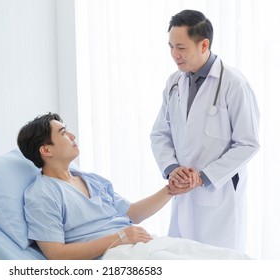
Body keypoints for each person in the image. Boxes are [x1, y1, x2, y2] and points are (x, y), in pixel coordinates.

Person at [17, 112, 251, 260]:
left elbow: (132, 214)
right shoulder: (41, 194)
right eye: (63, 133)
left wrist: (170, 190)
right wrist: (119, 238)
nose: (72, 136)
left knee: (232, 260)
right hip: (114, 257)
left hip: (143, 244)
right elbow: (56, 255)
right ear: (46, 150)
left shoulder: (91, 180)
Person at [150, 10, 260, 252]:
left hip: (218, 198)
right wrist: (172, 169)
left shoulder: (234, 84)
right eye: (170, 47)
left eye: (181, 47)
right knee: (181, 260)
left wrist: (203, 177)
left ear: (204, 45)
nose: (174, 55)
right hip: (182, 194)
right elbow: (160, 133)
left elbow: (248, 143)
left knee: (218, 265)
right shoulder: (174, 82)